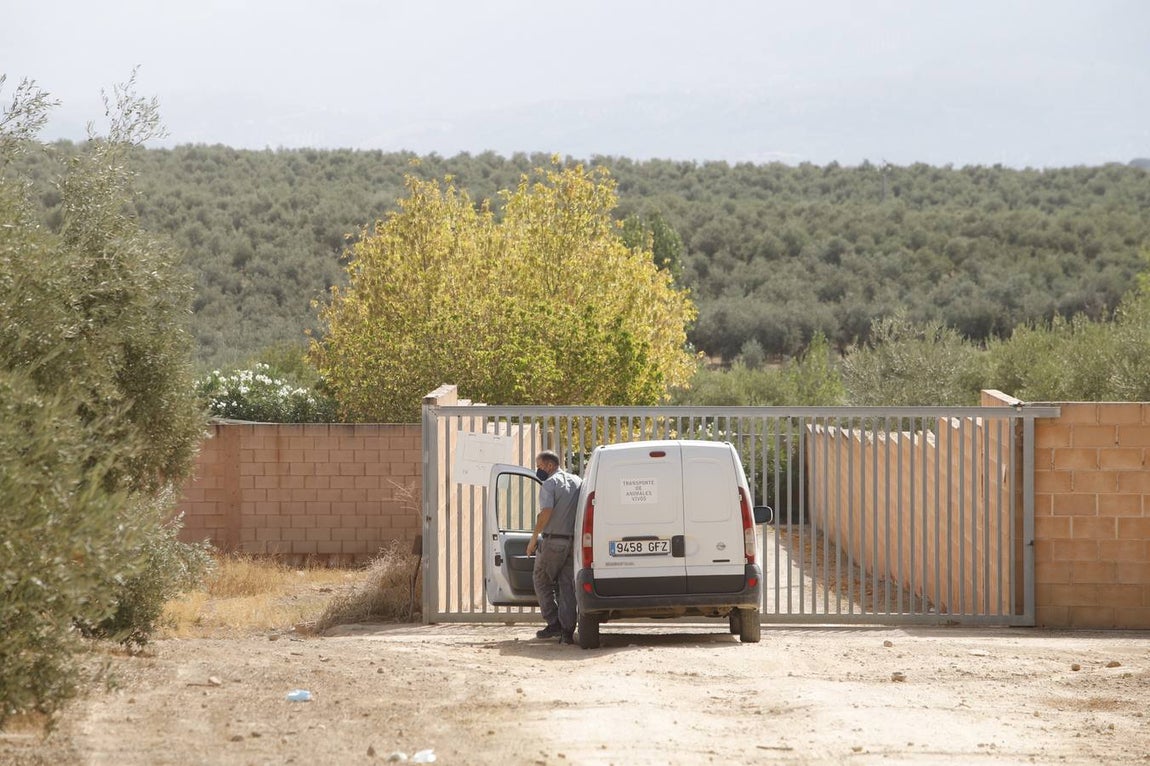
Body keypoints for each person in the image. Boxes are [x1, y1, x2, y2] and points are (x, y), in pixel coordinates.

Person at [525, 449, 582, 644]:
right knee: (567, 586)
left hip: (552, 542)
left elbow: (546, 512)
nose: (538, 470)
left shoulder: (549, 484)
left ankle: (553, 623)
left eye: (539, 466)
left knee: (541, 580)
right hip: (572, 542)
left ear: (550, 465)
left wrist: (533, 540)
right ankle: (567, 633)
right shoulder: (577, 481)